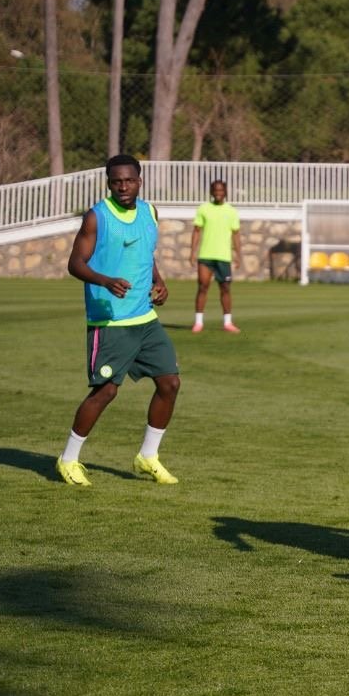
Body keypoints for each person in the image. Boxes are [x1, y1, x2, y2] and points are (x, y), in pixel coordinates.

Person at [56, 154, 181, 487]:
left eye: (129, 180)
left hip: (145, 318)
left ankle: (148, 456)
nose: (123, 187)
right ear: (108, 183)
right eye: (116, 181)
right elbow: (75, 264)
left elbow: (145, 253)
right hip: (109, 323)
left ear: (140, 180)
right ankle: (68, 459)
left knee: (170, 383)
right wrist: (104, 280)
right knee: (106, 391)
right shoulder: (97, 217)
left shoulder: (150, 212)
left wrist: (159, 280)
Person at [190, 179, 242, 333]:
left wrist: (239, 254)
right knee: (203, 286)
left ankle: (227, 322)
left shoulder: (231, 211)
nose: (218, 193)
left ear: (225, 192)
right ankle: (198, 322)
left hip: (224, 257)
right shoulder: (204, 209)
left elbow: (236, 234)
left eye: (221, 190)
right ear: (212, 192)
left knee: (225, 288)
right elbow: (197, 231)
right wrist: (192, 252)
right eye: (216, 190)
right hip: (206, 256)